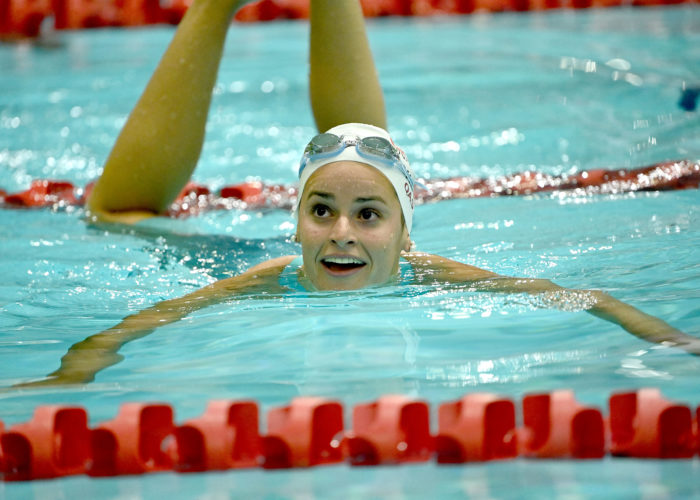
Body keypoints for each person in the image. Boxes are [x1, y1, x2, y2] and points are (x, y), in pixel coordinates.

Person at [18, 0, 699, 387]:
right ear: (297, 228)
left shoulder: (434, 272)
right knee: (117, 218)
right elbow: (143, 323)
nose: (341, 230)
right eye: (321, 212)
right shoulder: (267, 275)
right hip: (224, 254)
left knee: (119, 214)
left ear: (407, 236)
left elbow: (579, 297)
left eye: (368, 216)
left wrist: (671, 339)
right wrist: (69, 376)